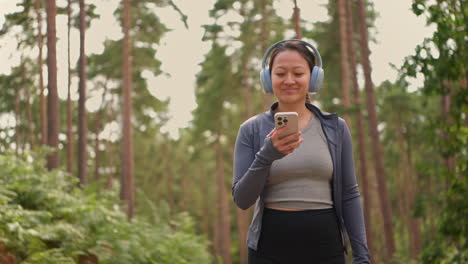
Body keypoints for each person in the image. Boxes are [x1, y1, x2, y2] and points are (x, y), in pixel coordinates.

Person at [232, 39, 371, 263]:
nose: (289, 80)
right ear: (268, 79)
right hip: (269, 249)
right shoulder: (251, 130)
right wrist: (266, 155)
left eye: (298, 73)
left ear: (314, 78)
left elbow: (349, 194)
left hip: (326, 247)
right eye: (280, 73)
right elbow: (242, 199)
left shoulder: (336, 128)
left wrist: (362, 255)